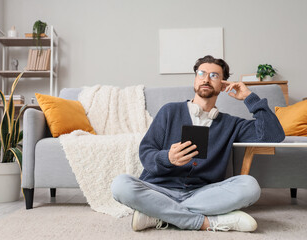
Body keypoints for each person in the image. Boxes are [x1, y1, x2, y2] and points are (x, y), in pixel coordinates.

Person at [111, 55, 285, 232]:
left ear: (223, 84)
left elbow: (274, 135)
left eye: (214, 75)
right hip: (159, 190)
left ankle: (157, 214)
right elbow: (146, 152)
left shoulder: (231, 124)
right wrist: (167, 158)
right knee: (120, 185)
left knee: (250, 186)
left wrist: (250, 98)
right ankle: (205, 222)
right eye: (201, 73)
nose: (206, 79)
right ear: (195, 79)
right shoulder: (169, 111)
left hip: (202, 193)